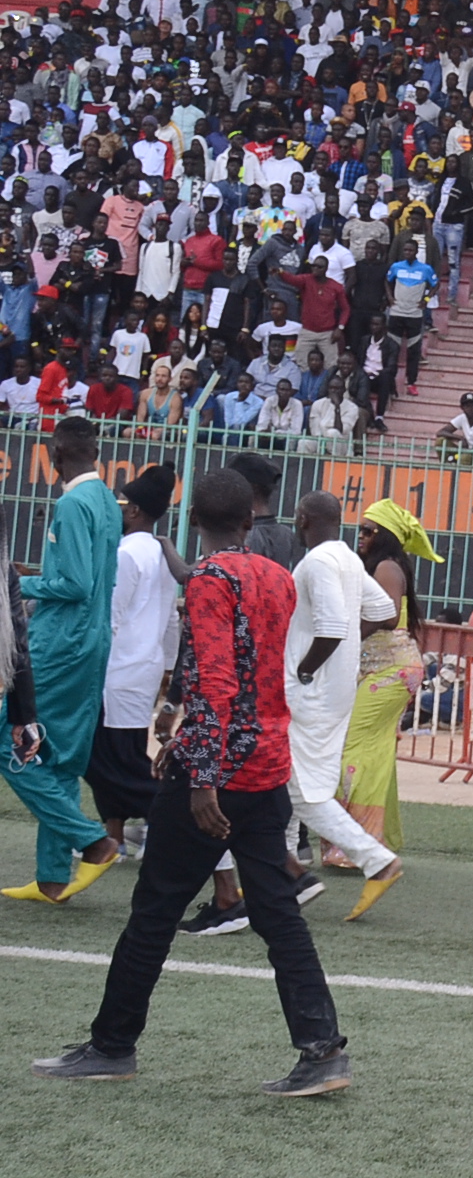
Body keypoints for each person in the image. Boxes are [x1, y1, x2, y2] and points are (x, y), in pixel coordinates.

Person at [31, 467, 350, 1096]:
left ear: (194, 521)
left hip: (218, 769)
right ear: (249, 519)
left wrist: (198, 773)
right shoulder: (277, 577)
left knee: (154, 908)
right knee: (278, 910)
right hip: (266, 761)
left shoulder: (211, 578)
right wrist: (185, 730)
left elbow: (216, 682)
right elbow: (246, 669)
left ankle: (113, 1044)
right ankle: (322, 1050)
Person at [1, 417, 125, 902]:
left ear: (54, 454)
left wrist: (16, 582)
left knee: (11, 737)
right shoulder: (108, 503)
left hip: (63, 641)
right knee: (62, 755)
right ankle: (53, 879)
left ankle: (92, 840)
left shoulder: (72, 503)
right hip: (93, 638)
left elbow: (74, 584)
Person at [283, 491, 406, 921]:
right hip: (335, 693)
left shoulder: (317, 562)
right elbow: (384, 611)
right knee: (288, 780)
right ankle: (287, 873)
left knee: (298, 787)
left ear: (302, 518)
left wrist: (304, 669)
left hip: (311, 692)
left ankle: (376, 860)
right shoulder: (349, 560)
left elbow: (333, 627)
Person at [83, 465, 179, 853]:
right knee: (124, 756)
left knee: (112, 764)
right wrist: (169, 668)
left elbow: (110, 619)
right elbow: (173, 620)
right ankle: (115, 838)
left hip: (116, 672)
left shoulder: (126, 554)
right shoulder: (163, 553)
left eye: (124, 504)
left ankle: (174, 825)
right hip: (145, 670)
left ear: (135, 511)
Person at [332, 500, 435, 862]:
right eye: (360, 529)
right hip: (385, 670)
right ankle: (369, 839)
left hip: (390, 670)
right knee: (374, 750)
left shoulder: (388, 567)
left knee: (353, 747)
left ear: (385, 537)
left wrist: (349, 640)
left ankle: (356, 842)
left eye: (369, 531)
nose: (360, 536)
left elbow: (388, 616)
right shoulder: (380, 566)